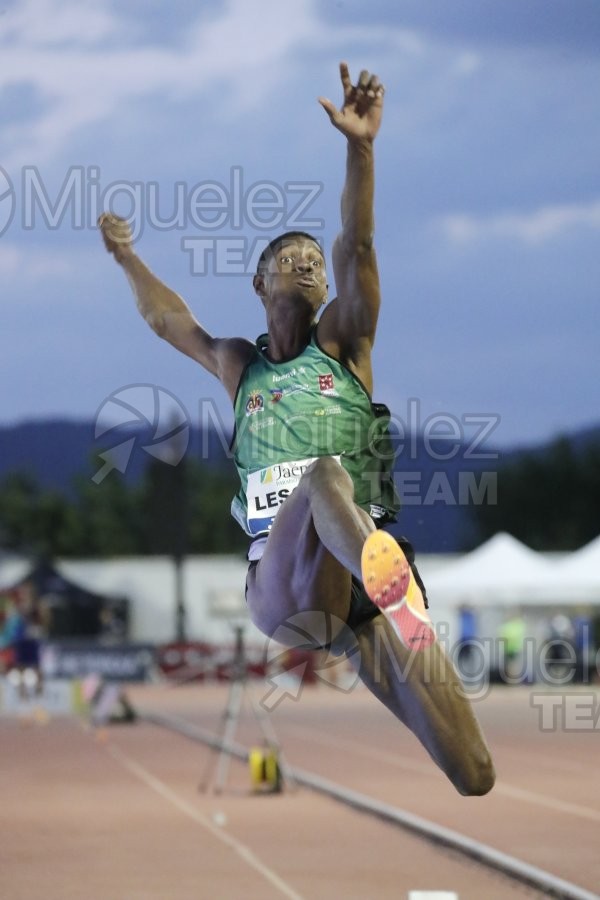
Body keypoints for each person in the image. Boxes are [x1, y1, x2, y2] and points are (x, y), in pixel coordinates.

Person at [98, 62, 495, 796]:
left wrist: (362, 148)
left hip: (354, 596)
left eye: (315, 261)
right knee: (320, 474)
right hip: (281, 588)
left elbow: (360, 245)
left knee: (474, 774)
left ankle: (393, 608)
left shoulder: (346, 343)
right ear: (260, 283)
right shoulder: (236, 365)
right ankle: (399, 599)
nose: (310, 263)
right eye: (293, 258)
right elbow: (165, 320)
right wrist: (126, 255)